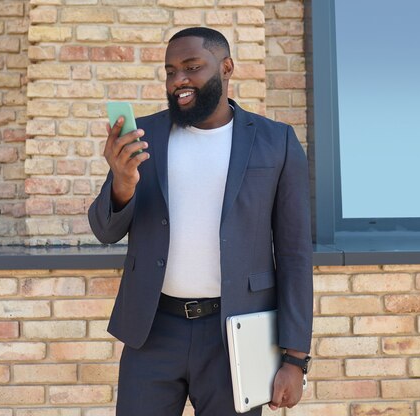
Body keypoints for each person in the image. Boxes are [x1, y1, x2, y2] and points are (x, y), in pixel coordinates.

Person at [89, 27, 313, 416]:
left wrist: (295, 359)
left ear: (226, 68)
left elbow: (294, 254)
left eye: (192, 67)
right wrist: (122, 184)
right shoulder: (144, 136)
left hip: (235, 333)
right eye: (170, 71)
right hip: (153, 331)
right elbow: (106, 231)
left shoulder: (275, 141)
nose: (179, 80)